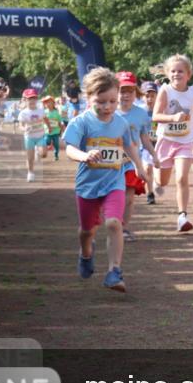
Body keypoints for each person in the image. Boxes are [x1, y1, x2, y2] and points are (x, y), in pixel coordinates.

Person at [62, 67, 144, 292]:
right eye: (101, 102)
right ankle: (86, 253)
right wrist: (84, 156)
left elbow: (128, 144)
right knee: (87, 231)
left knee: (113, 223)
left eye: (112, 101)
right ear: (88, 98)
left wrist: (139, 166)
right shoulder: (81, 122)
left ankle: (114, 271)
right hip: (87, 185)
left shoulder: (120, 123)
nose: (107, 107)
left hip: (113, 182)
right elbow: (69, 148)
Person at [151, 54, 193, 232]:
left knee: (181, 178)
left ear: (188, 74)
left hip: (185, 141)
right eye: (172, 71)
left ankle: (182, 216)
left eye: (180, 71)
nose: (176, 74)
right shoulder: (165, 91)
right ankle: (157, 183)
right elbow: (155, 116)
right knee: (163, 182)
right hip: (166, 140)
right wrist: (173, 117)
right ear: (167, 73)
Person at [116, 72, 156, 241]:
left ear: (136, 93)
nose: (125, 94)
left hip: (132, 162)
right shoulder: (109, 112)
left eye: (130, 91)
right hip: (110, 163)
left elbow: (144, 137)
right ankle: (112, 223)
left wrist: (155, 155)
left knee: (129, 198)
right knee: (112, 196)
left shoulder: (141, 114)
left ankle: (123, 228)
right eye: (122, 90)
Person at [17, 88, 48, 182]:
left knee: (43, 154)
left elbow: (45, 119)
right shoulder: (23, 113)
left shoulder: (41, 111)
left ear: (37, 99)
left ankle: (38, 152)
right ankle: (30, 173)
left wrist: (49, 127)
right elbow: (20, 126)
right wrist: (24, 129)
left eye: (34, 98)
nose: (32, 100)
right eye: (30, 98)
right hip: (29, 137)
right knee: (30, 158)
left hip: (40, 136)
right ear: (25, 100)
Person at [139, 81, 159, 205]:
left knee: (158, 171)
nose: (150, 99)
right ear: (142, 96)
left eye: (152, 95)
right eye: (147, 95)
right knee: (148, 169)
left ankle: (157, 183)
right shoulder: (139, 113)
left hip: (160, 145)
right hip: (146, 146)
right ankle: (150, 194)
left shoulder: (162, 111)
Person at [42, 95, 64, 161]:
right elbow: (42, 121)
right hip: (47, 132)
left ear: (53, 103)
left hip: (56, 132)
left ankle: (56, 155)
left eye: (49, 102)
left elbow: (59, 122)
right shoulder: (44, 112)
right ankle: (44, 151)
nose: (48, 104)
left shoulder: (56, 112)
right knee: (47, 141)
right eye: (46, 103)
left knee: (56, 145)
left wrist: (62, 130)